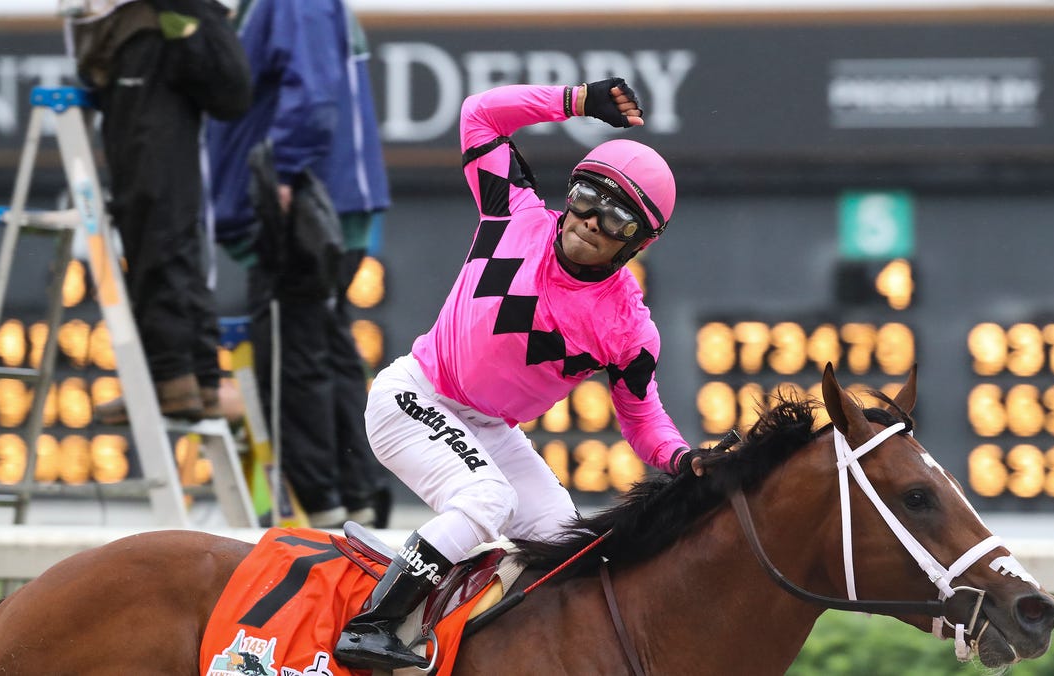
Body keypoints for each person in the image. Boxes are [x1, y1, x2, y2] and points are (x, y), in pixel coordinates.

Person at [335, 78, 702, 671]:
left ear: (639, 243)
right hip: (413, 395)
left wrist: (683, 458)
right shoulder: (512, 210)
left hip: (489, 428)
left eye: (617, 220)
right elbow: (479, 114)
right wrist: (577, 101)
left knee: (564, 544)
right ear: (571, 188)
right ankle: (372, 624)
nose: (591, 222)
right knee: (487, 497)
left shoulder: (630, 330)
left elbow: (643, 419)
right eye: (587, 198)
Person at [204, 0, 393, 529]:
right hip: (326, 203)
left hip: (304, 206)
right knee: (326, 351)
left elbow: (310, 93)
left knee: (291, 358)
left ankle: (329, 516)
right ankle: (357, 501)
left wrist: (283, 174)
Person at [73, 0, 251, 426]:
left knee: (155, 241)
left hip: (146, 90)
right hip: (161, 99)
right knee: (176, 244)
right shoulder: (187, 19)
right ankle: (201, 381)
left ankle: (170, 382)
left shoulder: (156, 23)